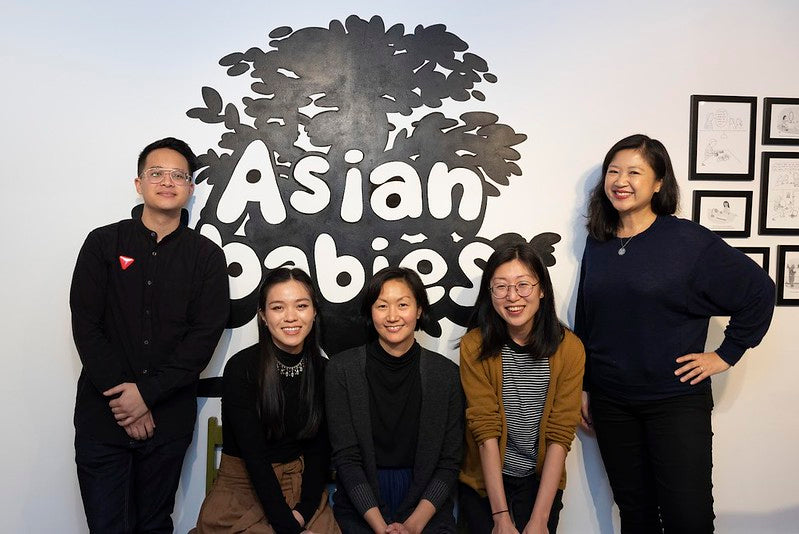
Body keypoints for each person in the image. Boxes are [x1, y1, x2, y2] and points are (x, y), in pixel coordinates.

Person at [576, 134, 776, 533]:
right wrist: (585, 385)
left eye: (635, 171)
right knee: (636, 516)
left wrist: (725, 354)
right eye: (613, 171)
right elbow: (589, 319)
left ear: (658, 183)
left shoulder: (686, 241)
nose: (620, 180)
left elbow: (759, 291)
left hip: (674, 403)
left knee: (689, 520)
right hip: (613, 404)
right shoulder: (598, 242)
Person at [70, 137, 230, 533]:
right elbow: (86, 323)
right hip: (103, 417)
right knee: (107, 525)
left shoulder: (207, 257)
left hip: (168, 418)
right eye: (156, 173)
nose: (167, 181)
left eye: (179, 175)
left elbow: (202, 339)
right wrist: (123, 394)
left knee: (155, 524)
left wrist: (147, 394)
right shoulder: (103, 243)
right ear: (139, 183)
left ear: (190, 189)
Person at [193, 267, 339, 534]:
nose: (291, 317)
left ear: (314, 311)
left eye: (302, 306)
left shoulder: (325, 370)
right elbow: (255, 458)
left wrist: (302, 513)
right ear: (263, 315)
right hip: (243, 489)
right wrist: (287, 526)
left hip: (301, 488)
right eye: (278, 307)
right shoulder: (242, 367)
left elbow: (320, 451)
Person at [458, 243, 585, 534]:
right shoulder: (474, 346)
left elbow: (561, 432)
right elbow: (485, 430)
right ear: (490, 295)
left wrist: (540, 518)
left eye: (523, 285)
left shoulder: (570, 349)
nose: (512, 296)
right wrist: (501, 516)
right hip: (484, 484)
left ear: (542, 289)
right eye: (500, 287)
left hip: (539, 482)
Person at [326, 267, 463, 533]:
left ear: (419, 309)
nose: (392, 316)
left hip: (426, 505)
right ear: (370, 311)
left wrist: (414, 524)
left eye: (403, 305)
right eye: (381, 306)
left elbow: (449, 462)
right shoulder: (342, 370)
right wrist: (380, 526)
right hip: (361, 504)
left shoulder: (446, 375)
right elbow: (347, 459)